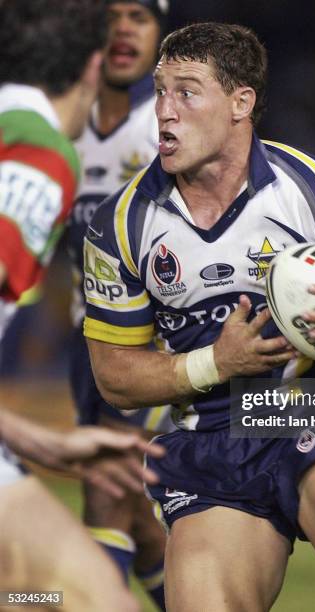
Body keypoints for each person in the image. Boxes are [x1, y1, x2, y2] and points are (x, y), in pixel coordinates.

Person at [83, 22, 315, 612]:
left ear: (241, 102)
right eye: (158, 92)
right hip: (206, 439)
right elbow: (115, 377)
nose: (163, 111)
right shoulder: (120, 224)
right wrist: (216, 362)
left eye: (186, 91)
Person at [0, 1, 160, 609]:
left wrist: (38, 443)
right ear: (93, 66)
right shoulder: (38, 158)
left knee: (56, 591)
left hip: (150, 349)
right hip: (104, 353)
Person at [68, 0, 170, 604]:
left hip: (156, 342)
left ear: (161, 34)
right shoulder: (61, 128)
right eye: (112, 14)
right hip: (90, 341)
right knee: (137, 519)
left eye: (141, 15)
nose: (125, 27)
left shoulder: (167, 127)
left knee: (105, 488)